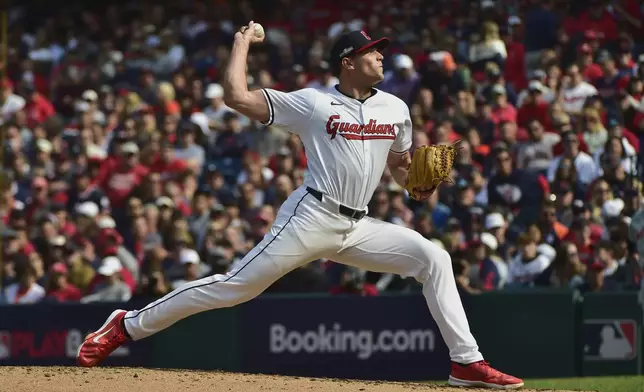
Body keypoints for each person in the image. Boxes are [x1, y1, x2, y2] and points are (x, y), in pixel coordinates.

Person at [76, 23, 523, 389]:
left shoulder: (396, 109)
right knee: (236, 287)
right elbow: (236, 96)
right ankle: (128, 323)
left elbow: (402, 168)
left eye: (380, 51)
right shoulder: (313, 103)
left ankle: (466, 362)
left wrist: (417, 188)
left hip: (358, 225)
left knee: (434, 257)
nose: (380, 56)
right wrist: (241, 44)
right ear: (347, 62)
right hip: (312, 215)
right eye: (371, 52)